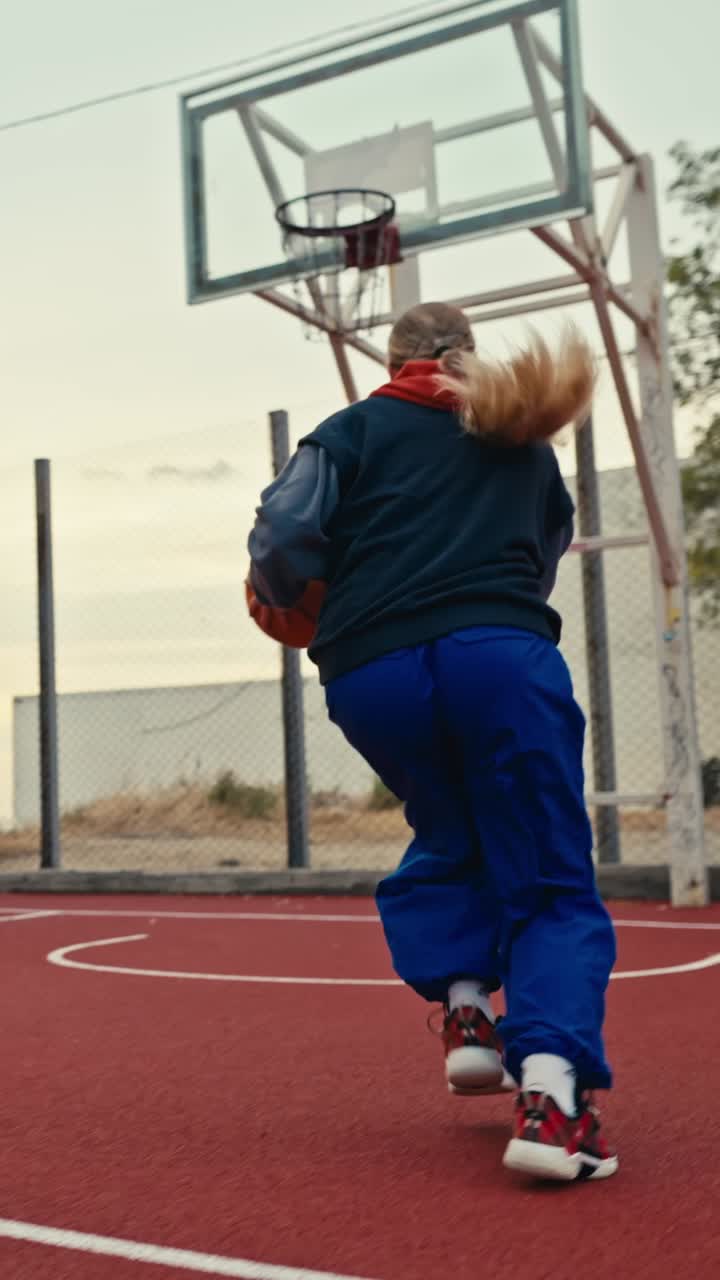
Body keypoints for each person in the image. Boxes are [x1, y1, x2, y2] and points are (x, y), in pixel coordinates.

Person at [246, 301, 618, 1184]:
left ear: (391, 354)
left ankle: (465, 1011)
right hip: (495, 653)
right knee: (548, 871)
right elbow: (548, 544)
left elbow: (282, 535)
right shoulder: (525, 444)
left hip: (370, 670)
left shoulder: (347, 431)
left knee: (450, 828)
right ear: (469, 354)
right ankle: (554, 1103)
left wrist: (296, 594)